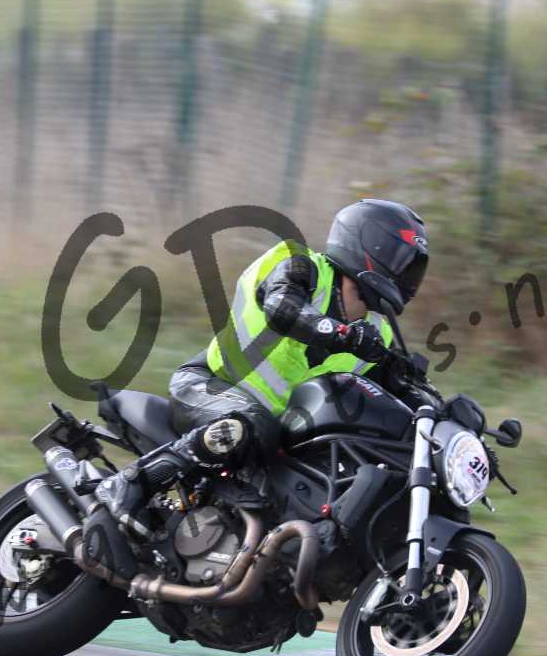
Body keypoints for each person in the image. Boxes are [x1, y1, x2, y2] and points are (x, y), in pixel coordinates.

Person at [95, 199, 431, 539]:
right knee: (252, 425)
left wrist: (442, 416)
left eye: (413, 268)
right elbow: (282, 307)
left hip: (276, 434)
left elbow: (395, 397)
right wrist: (341, 334)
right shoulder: (300, 265)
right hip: (210, 385)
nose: (408, 275)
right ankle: (132, 482)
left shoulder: (378, 336)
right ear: (368, 245)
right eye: (402, 261)